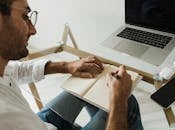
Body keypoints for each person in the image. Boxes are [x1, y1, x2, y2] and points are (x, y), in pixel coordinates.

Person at [0, 0, 143, 130]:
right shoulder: (5, 116)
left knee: (91, 80)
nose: (33, 30)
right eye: (25, 16)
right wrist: (119, 102)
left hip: (40, 124)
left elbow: (13, 70)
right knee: (127, 101)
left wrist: (67, 66)